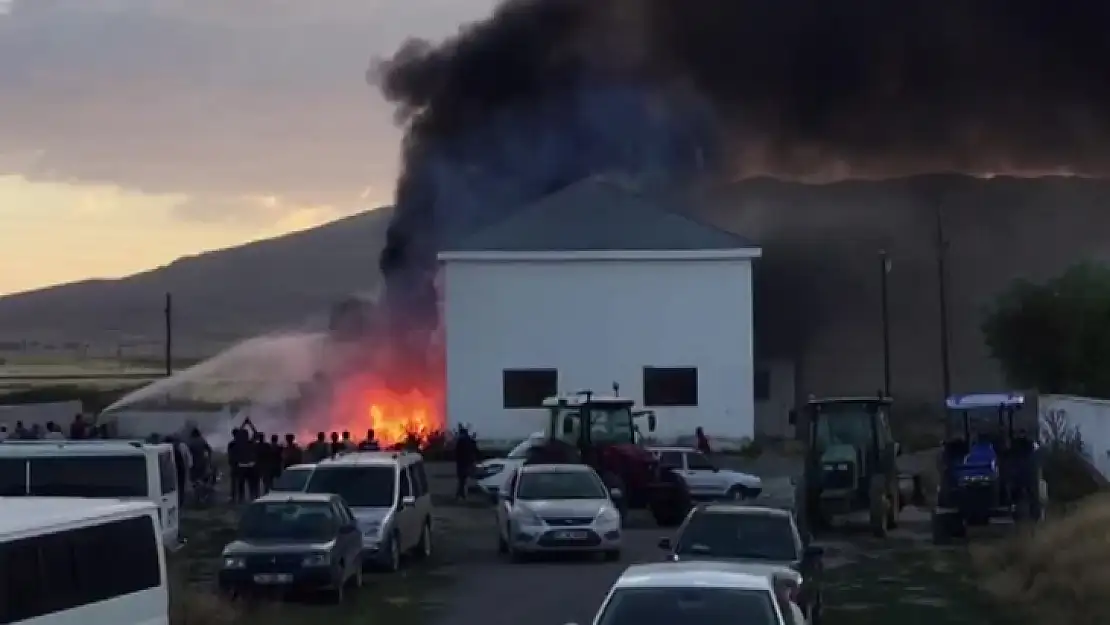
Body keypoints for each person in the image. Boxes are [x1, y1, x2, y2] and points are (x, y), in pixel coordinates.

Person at [454, 426, 479, 500]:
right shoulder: (470, 440)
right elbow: (476, 450)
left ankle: (460, 494)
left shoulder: (460, 441)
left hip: (461, 463)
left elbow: (457, 452)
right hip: (468, 462)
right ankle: (461, 494)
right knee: (463, 479)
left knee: (462, 479)